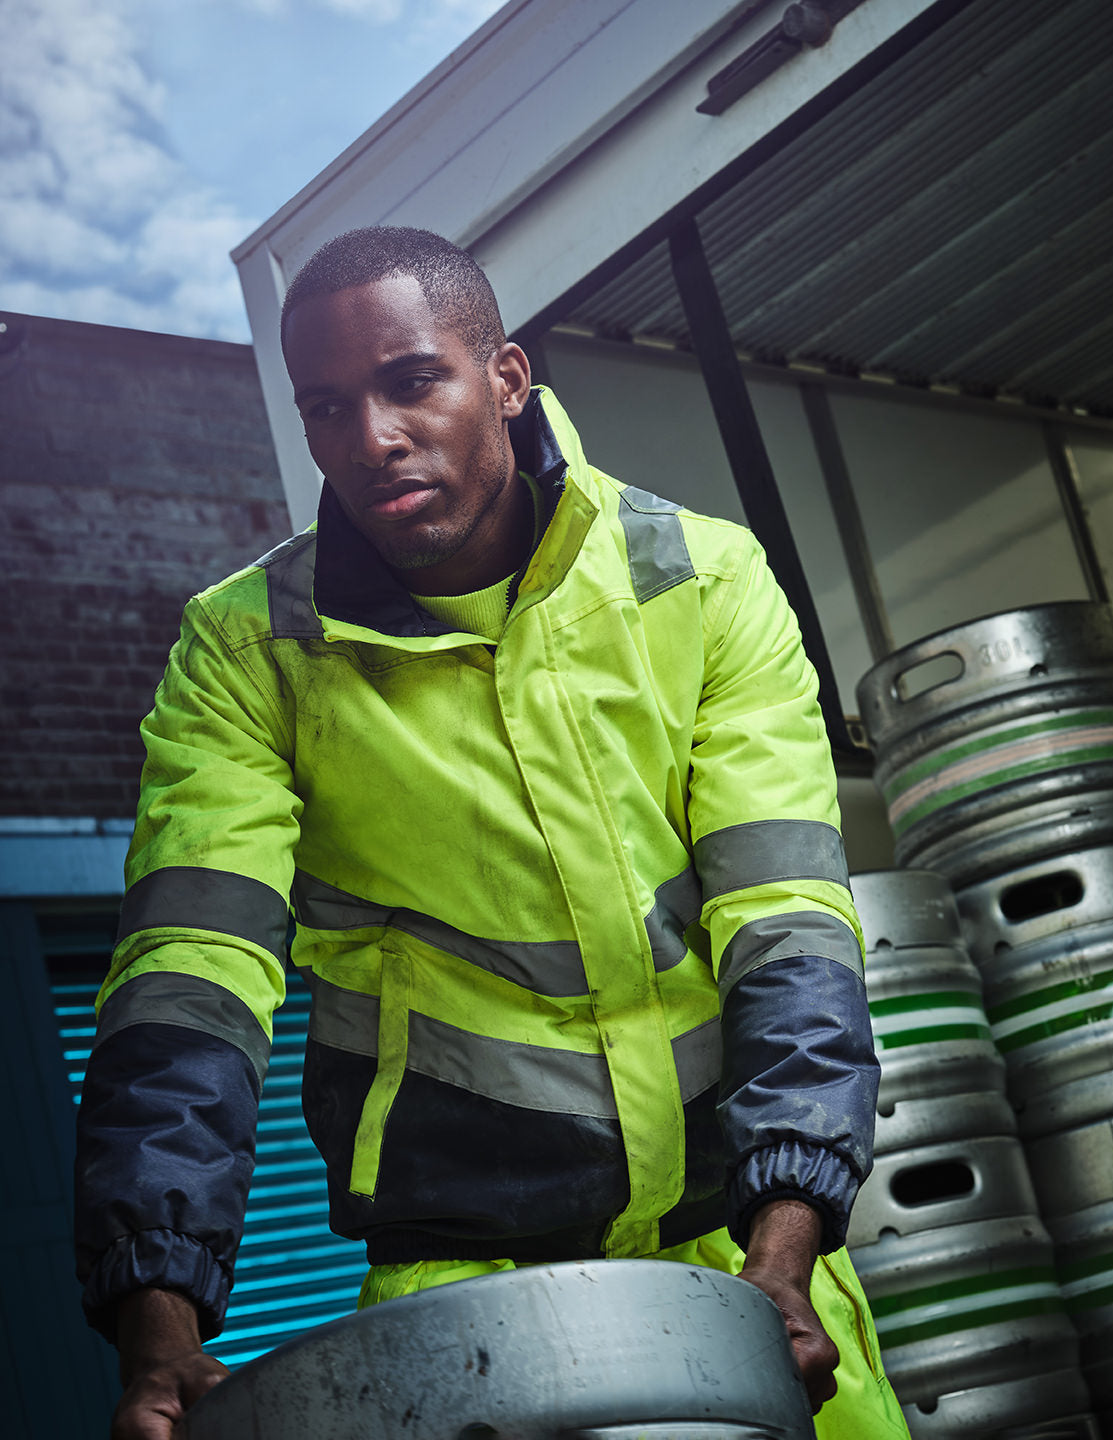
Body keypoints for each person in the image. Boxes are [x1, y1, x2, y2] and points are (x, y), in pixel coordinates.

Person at [75, 227, 909, 1440]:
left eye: (412, 380)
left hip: (755, 1273)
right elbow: (190, 986)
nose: (370, 439)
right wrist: (158, 1320)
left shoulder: (702, 583)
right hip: (462, 1323)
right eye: (326, 406)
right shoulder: (248, 655)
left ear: (508, 381)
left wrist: (786, 1243)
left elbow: (786, 926)